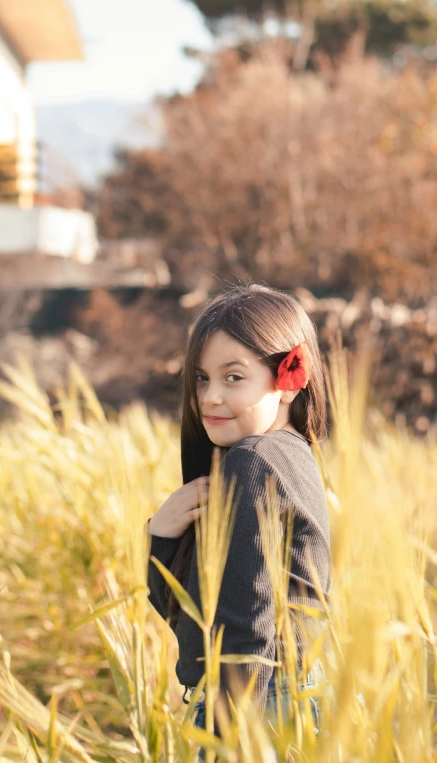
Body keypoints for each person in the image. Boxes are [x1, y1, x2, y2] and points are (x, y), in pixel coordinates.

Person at [145, 284, 331, 754]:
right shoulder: (292, 455)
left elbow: (245, 630)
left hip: (253, 707)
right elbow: (195, 617)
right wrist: (163, 538)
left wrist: (230, 737)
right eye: (202, 379)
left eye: (233, 377)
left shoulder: (252, 461)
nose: (209, 397)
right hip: (284, 696)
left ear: (288, 380)